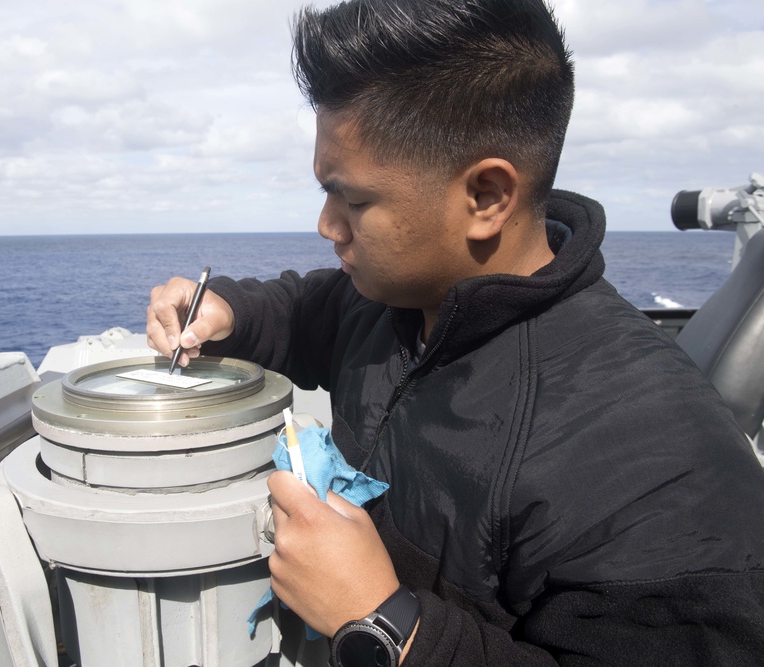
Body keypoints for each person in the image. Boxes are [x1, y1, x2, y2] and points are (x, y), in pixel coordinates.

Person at [147, 0, 764, 663]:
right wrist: (228, 310)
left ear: (487, 197)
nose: (327, 225)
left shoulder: (658, 466)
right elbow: (310, 310)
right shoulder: (398, 298)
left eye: (352, 200)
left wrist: (386, 625)